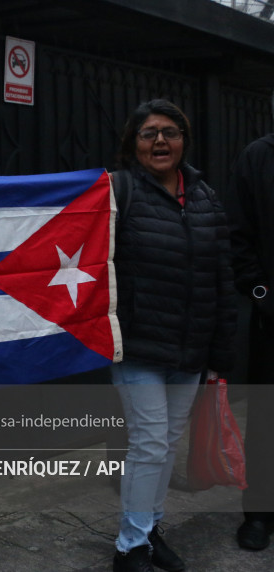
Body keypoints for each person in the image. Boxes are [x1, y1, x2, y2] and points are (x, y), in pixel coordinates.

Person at [109, 99, 236, 572]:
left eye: (169, 132)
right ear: (133, 143)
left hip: (191, 347)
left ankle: (148, 529)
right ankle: (130, 548)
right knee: (150, 442)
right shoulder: (116, 193)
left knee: (167, 441)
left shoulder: (205, 197)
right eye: (148, 133)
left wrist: (221, 349)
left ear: (184, 140)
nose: (159, 141)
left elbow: (222, 275)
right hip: (139, 346)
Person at [225, 122, 274, 551]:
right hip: (273, 320)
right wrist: (260, 293)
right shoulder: (258, 156)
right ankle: (259, 514)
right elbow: (237, 234)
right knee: (265, 418)